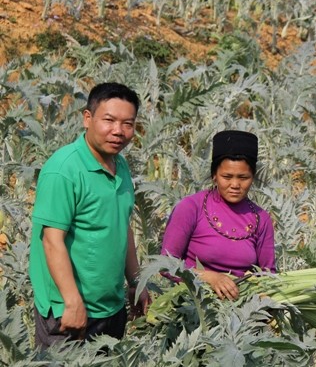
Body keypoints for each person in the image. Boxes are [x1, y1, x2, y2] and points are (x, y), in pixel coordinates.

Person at [29, 82, 150, 350]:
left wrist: (135, 282)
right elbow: (52, 241)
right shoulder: (63, 170)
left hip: (111, 307)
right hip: (69, 311)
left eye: (128, 123)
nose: (118, 131)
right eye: (109, 120)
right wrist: (72, 302)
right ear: (87, 118)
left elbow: (123, 227)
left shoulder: (120, 165)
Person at [161, 130, 275, 301]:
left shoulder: (261, 219)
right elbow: (165, 265)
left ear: (253, 177)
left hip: (241, 312)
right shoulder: (191, 208)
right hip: (195, 308)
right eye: (227, 177)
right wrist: (210, 278)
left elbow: (268, 274)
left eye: (243, 177)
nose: (235, 184)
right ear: (214, 175)